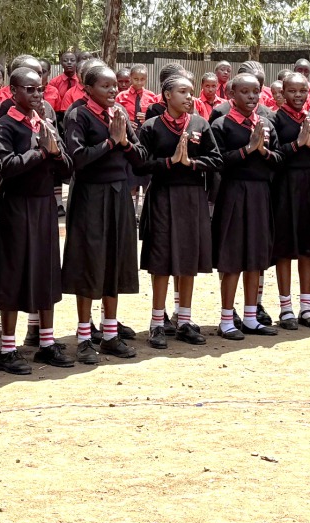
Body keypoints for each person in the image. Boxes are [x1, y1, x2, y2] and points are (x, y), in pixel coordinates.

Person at [0, 67, 75, 374]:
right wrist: (40, 153)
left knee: (46, 270)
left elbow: (66, 169)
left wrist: (54, 152)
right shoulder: (5, 126)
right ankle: (8, 348)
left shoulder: (47, 122)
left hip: (44, 207)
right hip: (16, 207)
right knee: (13, 273)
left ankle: (47, 343)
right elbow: (4, 167)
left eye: (40, 90)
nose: (37, 95)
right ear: (14, 92)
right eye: (29, 90)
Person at [62, 65, 145, 363]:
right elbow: (77, 159)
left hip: (119, 194)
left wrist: (123, 142)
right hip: (90, 196)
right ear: (88, 89)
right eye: (105, 86)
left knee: (116, 258)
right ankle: (85, 337)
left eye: (114, 86)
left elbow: (141, 158)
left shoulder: (119, 114)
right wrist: (110, 142)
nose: (113, 91)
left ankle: (110, 333)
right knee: (88, 261)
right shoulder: (77, 115)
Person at [136, 75, 222, 348]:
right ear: (166, 96)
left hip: (192, 198)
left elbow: (216, 159)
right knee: (161, 260)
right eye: (182, 92)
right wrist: (170, 162)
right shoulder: (151, 127)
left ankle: (184, 320)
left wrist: (192, 162)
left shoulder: (200, 124)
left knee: (187, 259)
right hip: (162, 197)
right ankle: (157, 323)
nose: (189, 97)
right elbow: (142, 164)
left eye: (190, 92)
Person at [210, 73, 283, 340]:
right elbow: (217, 162)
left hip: (260, 194)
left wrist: (263, 151)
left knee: (256, 257)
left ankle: (251, 317)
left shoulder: (266, 123)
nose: (252, 97)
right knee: (232, 258)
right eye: (245, 92)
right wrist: (247, 150)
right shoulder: (221, 125)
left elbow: (278, 159)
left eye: (256, 92)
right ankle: (226, 319)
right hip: (233, 193)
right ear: (232, 95)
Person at [270, 72, 310, 330]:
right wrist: (297, 144)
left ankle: (306, 307)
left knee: (309, 247)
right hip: (285, 189)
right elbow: (272, 156)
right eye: (293, 91)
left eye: (303, 91)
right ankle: (286, 308)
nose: (298, 96)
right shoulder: (274, 120)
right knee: (285, 248)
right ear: (283, 92)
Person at [116, 64, 158, 131]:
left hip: (146, 133)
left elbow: (157, 117)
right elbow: (114, 116)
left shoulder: (152, 97)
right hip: (126, 132)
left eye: (142, 79)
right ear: (130, 78)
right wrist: (127, 123)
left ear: (146, 79)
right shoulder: (121, 97)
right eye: (136, 79)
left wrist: (148, 117)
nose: (139, 82)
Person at [49, 51, 79, 116]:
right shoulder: (54, 82)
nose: (69, 62)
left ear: (77, 63)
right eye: (65, 60)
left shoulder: (81, 81)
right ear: (61, 63)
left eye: (72, 60)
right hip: (59, 115)